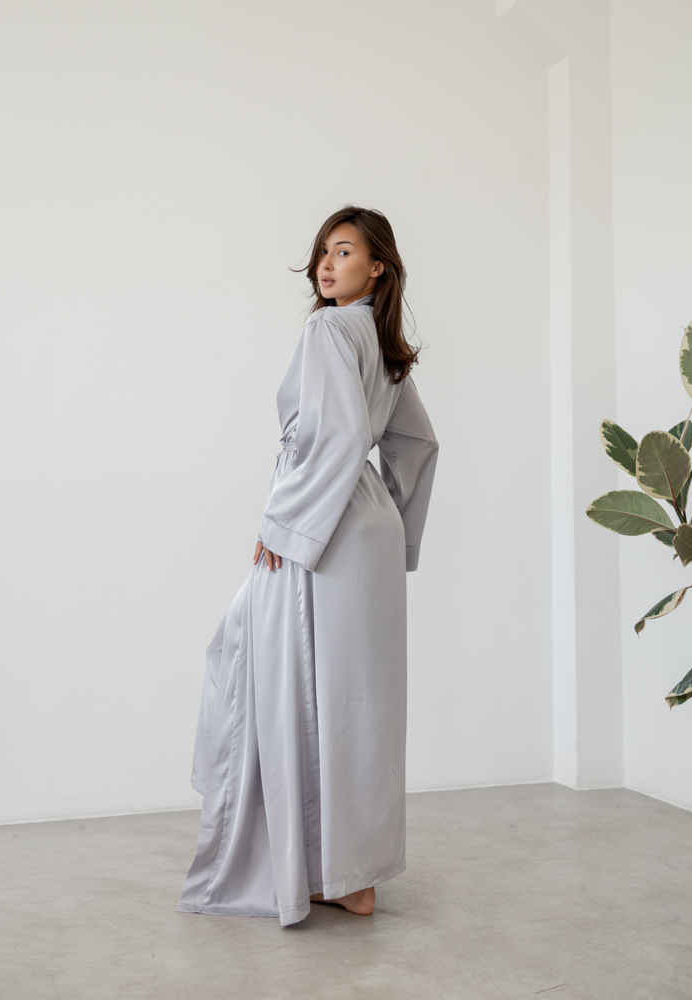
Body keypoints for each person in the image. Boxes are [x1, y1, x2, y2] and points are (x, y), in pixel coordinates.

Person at [177, 206, 438, 927]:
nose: (327, 264)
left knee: (298, 685)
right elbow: (417, 445)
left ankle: (324, 871)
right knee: (360, 700)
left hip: (321, 526)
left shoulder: (328, 331)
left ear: (377, 266)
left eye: (344, 251)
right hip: (365, 528)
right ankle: (354, 877)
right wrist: (394, 528)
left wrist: (285, 522)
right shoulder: (384, 344)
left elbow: (338, 434)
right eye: (323, 251)